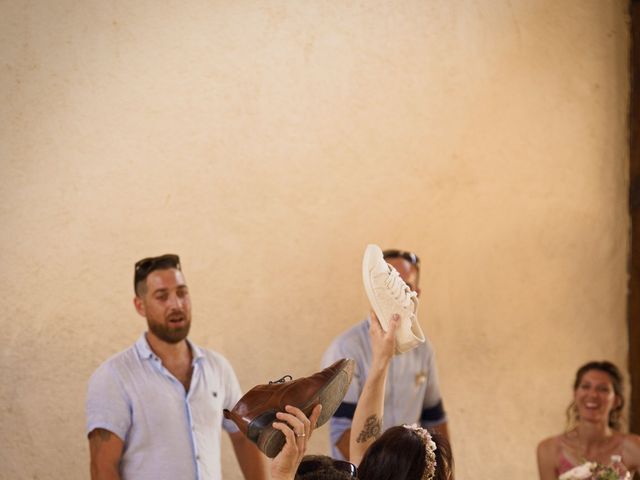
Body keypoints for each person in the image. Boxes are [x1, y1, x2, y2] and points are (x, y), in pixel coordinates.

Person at [85, 254, 268, 480]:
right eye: (162, 296)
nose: (176, 305)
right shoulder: (114, 376)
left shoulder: (217, 367)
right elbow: (103, 468)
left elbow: (243, 437)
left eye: (182, 293)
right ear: (140, 305)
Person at [280, 314, 453, 480]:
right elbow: (362, 450)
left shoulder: (424, 349)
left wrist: (283, 474)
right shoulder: (346, 345)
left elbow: (363, 449)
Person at [321, 248, 449, 460]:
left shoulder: (424, 351)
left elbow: (434, 418)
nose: (399, 294)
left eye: (405, 286)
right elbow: (341, 432)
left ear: (415, 293)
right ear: (373, 292)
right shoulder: (345, 349)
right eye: (392, 283)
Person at [537, 361, 640, 479]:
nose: (593, 394)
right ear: (575, 394)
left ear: (616, 400)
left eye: (603, 389)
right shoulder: (548, 449)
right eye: (586, 386)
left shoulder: (634, 447)